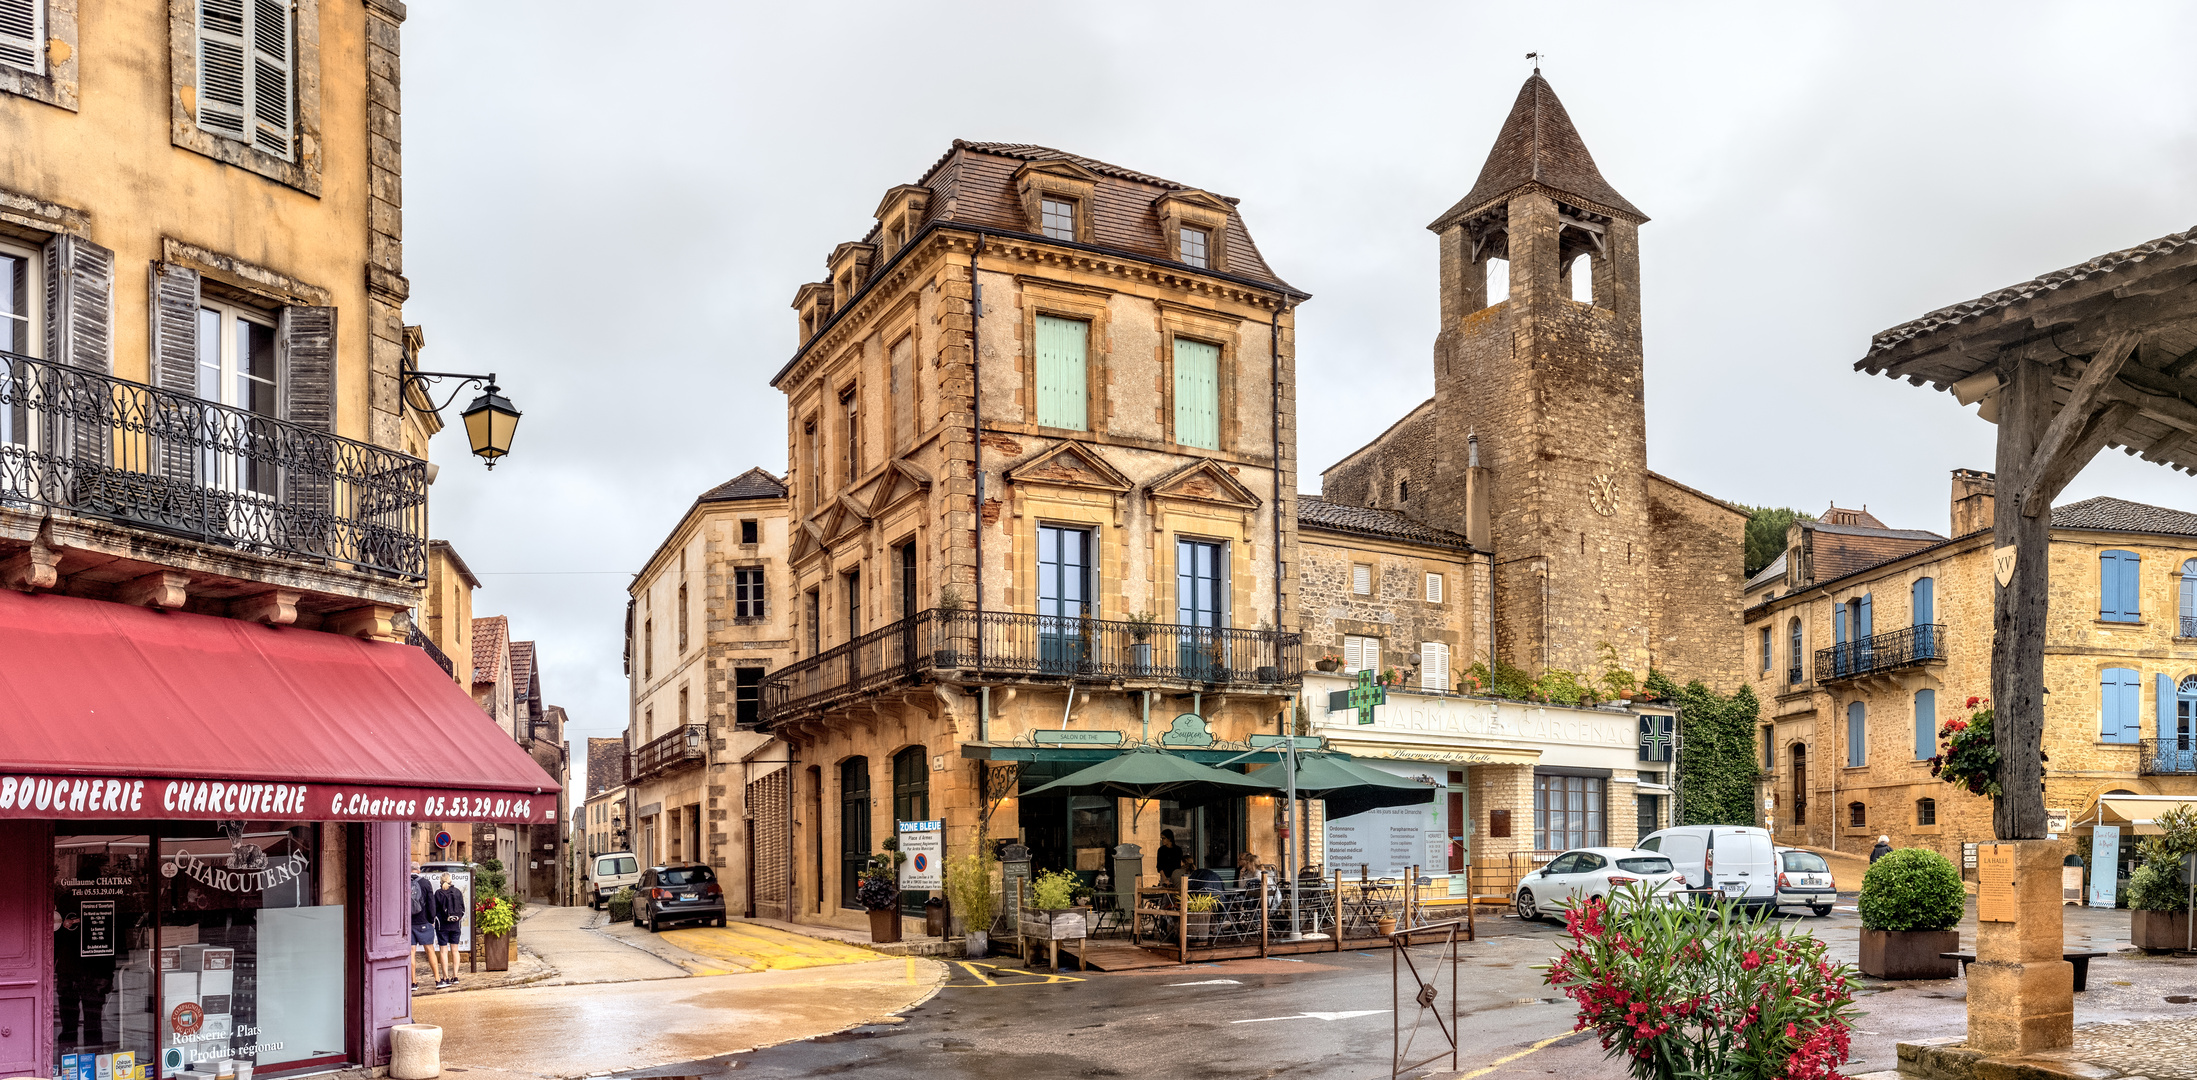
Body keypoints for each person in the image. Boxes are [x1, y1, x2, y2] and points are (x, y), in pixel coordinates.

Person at [409, 862, 443, 990]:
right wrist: (431, 919)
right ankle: (437, 980)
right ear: (419, 870)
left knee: (411, 952)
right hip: (424, 922)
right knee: (430, 950)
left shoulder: (403, 883)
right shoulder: (425, 883)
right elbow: (431, 903)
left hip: (409, 923)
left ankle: (413, 982)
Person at [433, 873, 467, 988]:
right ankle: (456, 976)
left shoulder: (438, 893)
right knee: (455, 950)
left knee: (443, 951)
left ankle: (445, 977)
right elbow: (463, 909)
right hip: (455, 925)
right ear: (450, 880)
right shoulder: (457, 892)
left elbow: (434, 910)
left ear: (441, 881)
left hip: (442, 925)